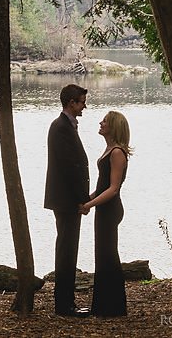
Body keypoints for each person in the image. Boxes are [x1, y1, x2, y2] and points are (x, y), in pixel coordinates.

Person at [80, 110, 132, 317]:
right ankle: (103, 306)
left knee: (109, 255)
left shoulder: (117, 152)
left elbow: (113, 188)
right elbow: (102, 186)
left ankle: (115, 307)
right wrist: (88, 199)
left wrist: (90, 205)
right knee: (102, 255)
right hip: (103, 207)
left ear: (114, 127)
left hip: (110, 209)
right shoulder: (109, 149)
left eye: (105, 121)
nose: (101, 123)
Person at [44, 84, 90, 317]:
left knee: (68, 249)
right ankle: (64, 305)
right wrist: (82, 200)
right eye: (82, 102)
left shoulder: (67, 126)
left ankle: (66, 301)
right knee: (66, 251)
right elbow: (69, 167)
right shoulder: (60, 127)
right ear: (71, 103)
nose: (84, 106)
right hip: (66, 200)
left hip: (67, 199)